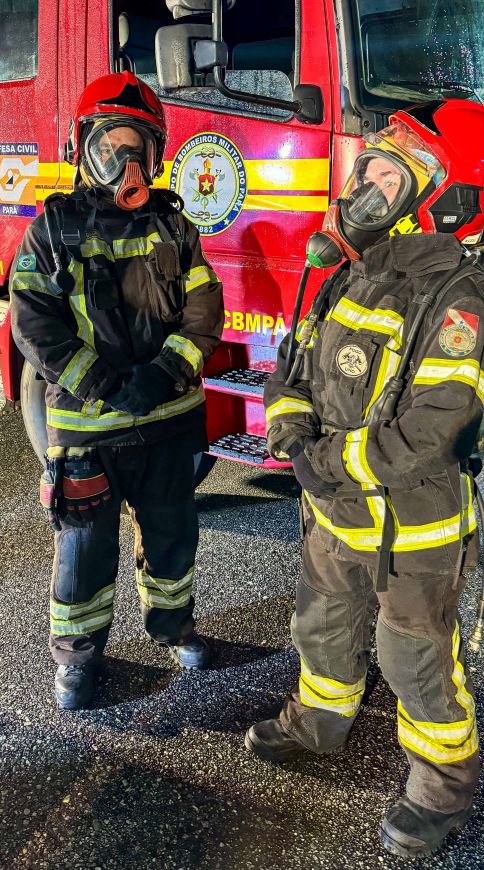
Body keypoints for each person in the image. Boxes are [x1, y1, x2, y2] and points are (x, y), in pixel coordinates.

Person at [245, 99, 484, 858]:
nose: (366, 189)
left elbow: (434, 427)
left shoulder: (459, 296)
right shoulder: (347, 271)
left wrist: (323, 465)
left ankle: (442, 787)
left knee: (414, 658)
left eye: (391, 178)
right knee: (321, 628)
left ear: (445, 198)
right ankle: (317, 725)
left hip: (412, 529)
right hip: (335, 515)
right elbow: (293, 369)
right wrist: (288, 430)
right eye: (370, 171)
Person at [10, 71, 224, 710]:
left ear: (156, 156)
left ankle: (174, 628)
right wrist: (101, 383)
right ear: (83, 150)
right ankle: (78, 659)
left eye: (138, 147)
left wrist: (163, 373)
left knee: (172, 537)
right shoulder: (53, 230)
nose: (124, 163)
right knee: (83, 549)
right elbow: (33, 323)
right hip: (87, 428)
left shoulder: (175, 228)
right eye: (110, 146)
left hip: (169, 417)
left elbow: (204, 310)